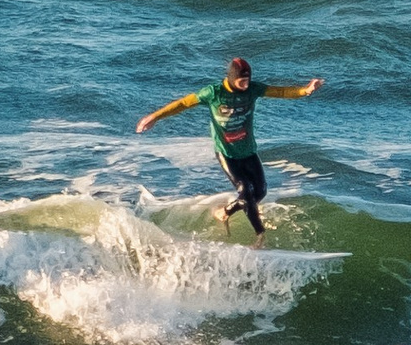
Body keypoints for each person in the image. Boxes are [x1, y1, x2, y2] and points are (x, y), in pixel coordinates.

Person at [133, 57, 322, 239]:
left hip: (248, 150)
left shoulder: (252, 90)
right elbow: (183, 103)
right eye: (241, 81)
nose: (245, 85)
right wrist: (155, 117)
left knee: (260, 192)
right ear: (232, 78)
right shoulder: (213, 93)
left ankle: (224, 212)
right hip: (227, 153)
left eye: (247, 80)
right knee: (245, 190)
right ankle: (260, 235)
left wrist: (305, 91)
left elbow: (280, 92)